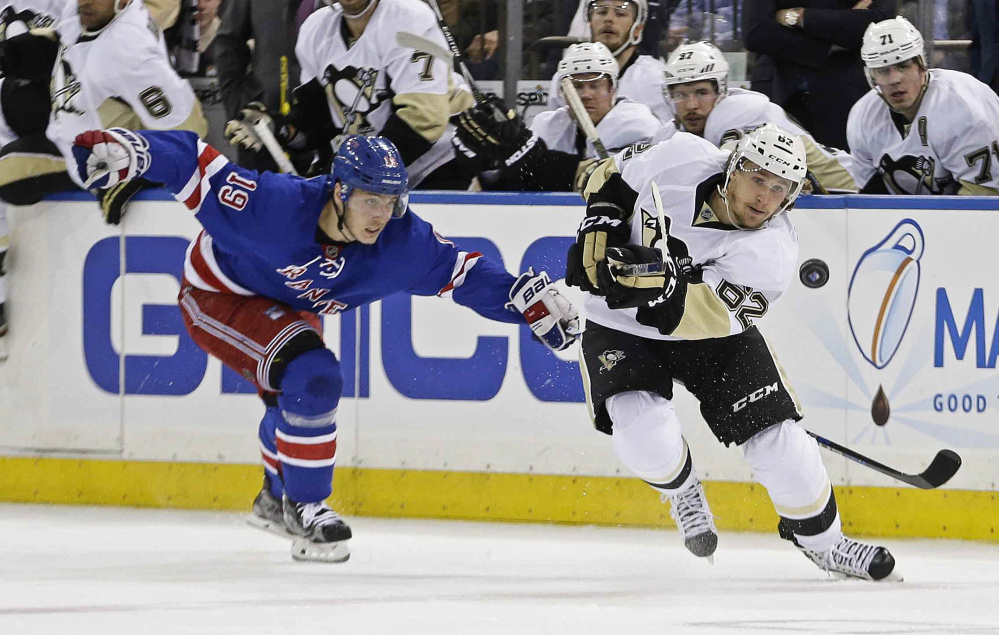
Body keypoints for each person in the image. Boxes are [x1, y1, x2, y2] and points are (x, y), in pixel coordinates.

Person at [71, 127, 580, 562]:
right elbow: (192, 160)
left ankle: (275, 498)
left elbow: (460, 273)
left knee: (298, 393)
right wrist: (132, 149)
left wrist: (519, 301)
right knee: (313, 376)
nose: (382, 214)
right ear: (339, 192)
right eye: (370, 199)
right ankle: (305, 505)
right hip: (219, 295)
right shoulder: (272, 205)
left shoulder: (399, 241)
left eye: (391, 200)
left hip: (290, 309)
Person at [565, 123, 900, 581]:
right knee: (641, 432)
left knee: (779, 443)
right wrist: (600, 218)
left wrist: (660, 286)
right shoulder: (679, 155)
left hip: (712, 337)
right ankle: (682, 490)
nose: (765, 198)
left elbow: (706, 315)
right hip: (618, 326)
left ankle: (827, 545)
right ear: (733, 168)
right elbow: (608, 176)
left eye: (779, 189)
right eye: (758, 179)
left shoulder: (773, 252)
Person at [0, 0, 207, 358]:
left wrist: (135, 172)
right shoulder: (91, 17)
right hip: (70, 129)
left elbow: (191, 132)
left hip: (95, 153)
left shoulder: (130, 51)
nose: (83, 1)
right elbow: (58, 43)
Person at [222, 0, 475, 188]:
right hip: (375, 174)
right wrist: (279, 130)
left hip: (439, 164)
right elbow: (319, 116)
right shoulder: (317, 29)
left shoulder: (410, 18)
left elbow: (423, 120)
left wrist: (355, 172)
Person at [454, 42, 660, 192]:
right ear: (562, 92)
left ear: (612, 89)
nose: (585, 94)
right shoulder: (547, 125)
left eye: (595, 85)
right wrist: (493, 167)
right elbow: (521, 184)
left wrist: (532, 157)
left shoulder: (638, 124)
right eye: (577, 86)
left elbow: (605, 181)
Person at [656, 41, 856, 193]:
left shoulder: (741, 112)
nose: (691, 105)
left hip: (852, 189)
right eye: (681, 95)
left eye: (701, 93)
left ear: (722, 90)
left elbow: (720, 176)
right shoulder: (671, 131)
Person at [847, 17, 999, 195]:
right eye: (883, 70)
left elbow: (984, 194)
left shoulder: (963, 105)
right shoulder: (863, 115)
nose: (895, 79)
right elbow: (869, 196)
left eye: (903, 66)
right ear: (871, 77)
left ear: (921, 66)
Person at [743, 0, 894, 151]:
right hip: (779, 94)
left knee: (843, 171)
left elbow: (878, 22)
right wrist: (827, 46)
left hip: (843, 97)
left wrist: (801, 17)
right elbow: (756, 32)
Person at [213, 0, 309, 171]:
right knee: (260, 193)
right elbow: (229, 41)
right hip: (262, 119)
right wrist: (237, 107)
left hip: (319, 123)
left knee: (326, 194)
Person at [549, 0, 670, 122]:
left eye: (620, 13)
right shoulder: (566, 75)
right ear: (590, 23)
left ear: (638, 28)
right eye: (601, 12)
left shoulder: (658, 78)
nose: (609, 19)